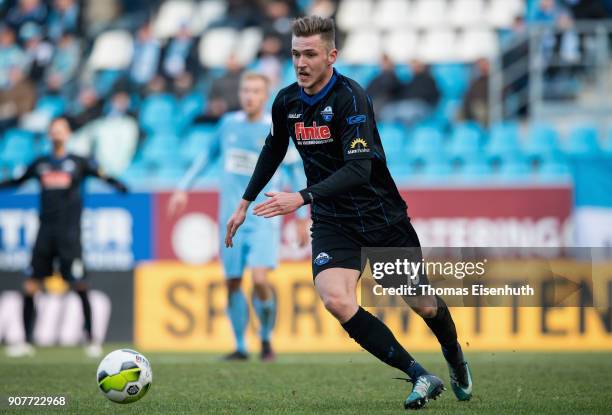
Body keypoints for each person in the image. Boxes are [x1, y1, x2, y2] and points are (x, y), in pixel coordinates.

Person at [225, 16, 473, 409]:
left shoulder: (351, 97)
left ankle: (454, 356)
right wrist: (244, 202)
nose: (300, 62)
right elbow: (273, 147)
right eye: (295, 54)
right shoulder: (287, 100)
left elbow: (360, 169)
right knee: (336, 299)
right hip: (333, 221)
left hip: (381, 217)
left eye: (310, 54)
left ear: (331, 55)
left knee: (423, 304)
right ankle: (419, 375)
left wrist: (301, 196)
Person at [168, 72, 309, 361]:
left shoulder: (276, 128)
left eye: (256, 91)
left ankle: (266, 340)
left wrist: (301, 215)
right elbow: (206, 156)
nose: (249, 96)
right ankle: (240, 346)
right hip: (229, 218)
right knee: (232, 281)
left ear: (265, 94)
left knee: (259, 279)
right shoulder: (228, 124)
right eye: (245, 90)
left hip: (264, 218)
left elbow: (296, 171)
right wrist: (183, 188)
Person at [0, 117, 128, 358]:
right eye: (53, 130)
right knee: (31, 285)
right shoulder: (41, 164)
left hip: (69, 235)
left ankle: (91, 339)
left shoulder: (78, 162)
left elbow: (102, 175)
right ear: (50, 135)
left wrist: (118, 185)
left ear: (68, 134)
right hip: (45, 233)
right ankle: (25, 341)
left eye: (61, 129)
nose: (57, 133)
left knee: (79, 284)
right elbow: (17, 181)